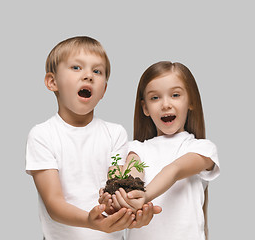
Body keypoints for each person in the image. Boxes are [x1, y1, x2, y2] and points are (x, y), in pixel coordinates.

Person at [25, 36, 160, 240]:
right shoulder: (42, 135)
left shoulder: (115, 133)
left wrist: (129, 210)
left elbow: (116, 180)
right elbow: (53, 203)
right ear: (52, 82)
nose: (88, 76)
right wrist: (90, 221)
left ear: (104, 89)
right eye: (77, 68)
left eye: (97, 71)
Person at [105, 61, 220, 240]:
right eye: (155, 98)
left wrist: (144, 196)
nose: (165, 104)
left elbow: (175, 170)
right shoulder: (135, 148)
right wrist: (120, 195)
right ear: (145, 108)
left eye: (175, 95)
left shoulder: (202, 148)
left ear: (190, 101)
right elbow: (133, 174)